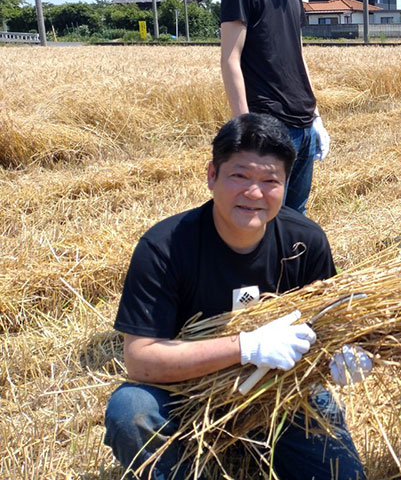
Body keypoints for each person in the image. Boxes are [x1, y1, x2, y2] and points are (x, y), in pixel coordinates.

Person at [104, 114, 369, 480]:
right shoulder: (164, 247)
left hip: (280, 392)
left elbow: (333, 321)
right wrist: (246, 346)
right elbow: (140, 360)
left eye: (269, 181)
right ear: (212, 175)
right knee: (130, 409)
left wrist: (343, 353)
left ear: (287, 183)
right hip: (188, 394)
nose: (254, 193)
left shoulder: (304, 242)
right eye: (240, 176)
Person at [220, 0, 329, 216]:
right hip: (268, 124)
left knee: (296, 218)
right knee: (261, 219)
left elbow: (297, 54)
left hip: (305, 124)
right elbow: (230, 59)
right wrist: (245, 128)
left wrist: (316, 117)